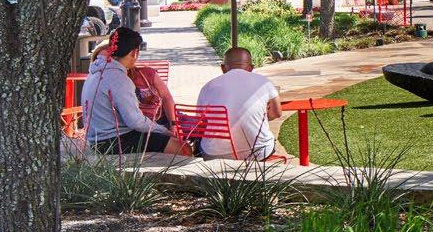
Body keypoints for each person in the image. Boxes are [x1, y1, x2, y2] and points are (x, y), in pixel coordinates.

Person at [81, 28, 190, 156]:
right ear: (134, 52)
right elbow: (135, 121)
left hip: (97, 140)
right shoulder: (119, 79)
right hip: (114, 141)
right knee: (183, 148)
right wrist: (164, 131)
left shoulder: (95, 71)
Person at [195, 46, 283, 160]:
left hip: (214, 155)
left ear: (223, 68)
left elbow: (200, 122)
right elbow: (277, 113)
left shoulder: (208, 87)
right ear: (251, 68)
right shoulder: (264, 83)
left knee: (199, 141)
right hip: (258, 153)